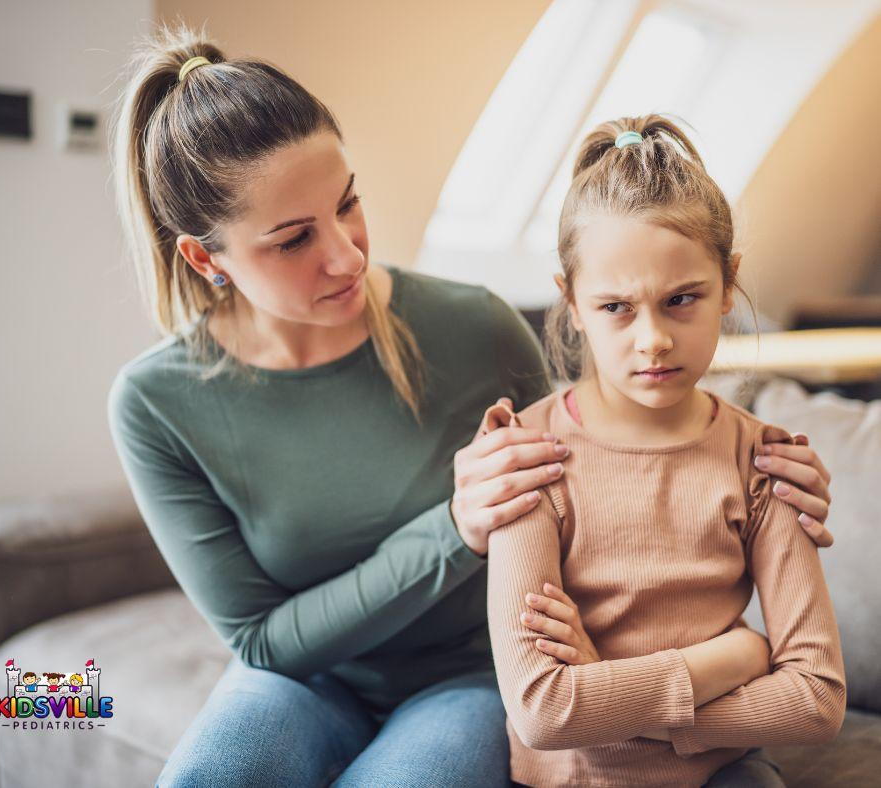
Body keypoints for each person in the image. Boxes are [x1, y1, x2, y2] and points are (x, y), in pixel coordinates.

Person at [106, 23, 835, 787]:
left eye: (348, 203)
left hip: (471, 676)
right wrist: (455, 528)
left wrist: (764, 482)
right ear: (204, 257)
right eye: (292, 239)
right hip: (300, 682)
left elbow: (610, 454)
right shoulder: (156, 403)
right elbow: (262, 639)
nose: (348, 254)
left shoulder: (472, 325)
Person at [483, 116, 845, 788]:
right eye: (617, 307)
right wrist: (738, 656)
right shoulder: (527, 456)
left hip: (723, 775)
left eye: (682, 299)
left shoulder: (763, 462)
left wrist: (607, 690)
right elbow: (544, 711)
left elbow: (816, 700)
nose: (652, 338)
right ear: (570, 302)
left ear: (729, 283)